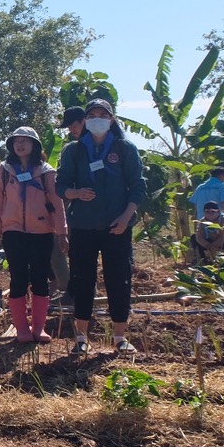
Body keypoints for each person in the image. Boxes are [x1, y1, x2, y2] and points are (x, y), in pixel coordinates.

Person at [56, 99, 147, 354]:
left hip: (117, 226)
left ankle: (119, 337)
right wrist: (75, 193)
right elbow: (61, 186)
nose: (98, 119)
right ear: (85, 120)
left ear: (112, 119)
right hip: (83, 226)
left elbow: (138, 187)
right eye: (92, 115)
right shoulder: (73, 151)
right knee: (82, 280)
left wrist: (126, 217)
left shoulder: (125, 148)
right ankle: (81, 338)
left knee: (119, 279)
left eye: (103, 115)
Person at [0, 127, 67, 343]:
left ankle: (38, 328)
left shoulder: (47, 172)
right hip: (13, 232)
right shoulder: (3, 172)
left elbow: (57, 205)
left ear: (35, 145)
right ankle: (22, 328)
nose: (20, 145)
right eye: (17, 141)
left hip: (42, 231)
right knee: (18, 278)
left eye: (26, 141)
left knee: (40, 278)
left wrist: (62, 232)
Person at [49, 106, 87, 303]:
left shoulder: (102, 148)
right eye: (69, 126)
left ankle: (80, 291)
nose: (72, 129)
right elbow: (63, 182)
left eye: (74, 125)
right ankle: (70, 289)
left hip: (89, 211)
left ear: (84, 121)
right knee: (61, 248)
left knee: (80, 253)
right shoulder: (72, 149)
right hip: (71, 205)